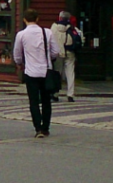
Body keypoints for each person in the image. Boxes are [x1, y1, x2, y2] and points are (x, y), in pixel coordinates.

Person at [14, 8, 61, 138]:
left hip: (30, 71)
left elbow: (17, 54)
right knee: (46, 101)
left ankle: (38, 128)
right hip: (45, 70)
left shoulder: (21, 35)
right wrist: (48, 58)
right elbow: (55, 51)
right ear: (37, 19)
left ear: (24, 19)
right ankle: (46, 127)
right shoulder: (47, 33)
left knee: (33, 101)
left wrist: (19, 63)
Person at [51, 11, 81, 103]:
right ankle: (70, 94)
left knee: (57, 73)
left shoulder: (54, 27)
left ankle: (55, 94)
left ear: (59, 17)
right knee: (70, 73)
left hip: (58, 53)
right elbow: (80, 37)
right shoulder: (72, 28)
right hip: (70, 52)